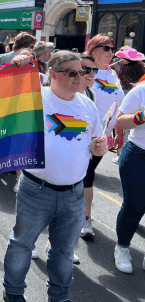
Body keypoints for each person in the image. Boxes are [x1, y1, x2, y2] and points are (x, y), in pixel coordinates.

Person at [3, 51, 107, 302]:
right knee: (22, 244)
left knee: (63, 251)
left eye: (81, 71)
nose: (79, 76)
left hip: (73, 193)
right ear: (53, 75)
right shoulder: (35, 99)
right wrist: (18, 63)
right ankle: (14, 293)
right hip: (35, 189)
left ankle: (59, 296)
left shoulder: (88, 105)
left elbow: (93, 141)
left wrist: (97, 147)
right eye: (71, 72)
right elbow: (4, 95)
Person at [81, 34, 124, 239]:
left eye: (111, 48)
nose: (110, 52)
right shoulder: (84, 71)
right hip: (79, 136)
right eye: (105, 48)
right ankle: (83, 219)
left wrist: (118, 132)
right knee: (83, 178)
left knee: (87, 177)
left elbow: (118, 108)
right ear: (92, 50)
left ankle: (83, 218)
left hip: (102, 138)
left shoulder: (113, 76)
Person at [114, 84, 145, 273]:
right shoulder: (141, 90)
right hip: (138, 155)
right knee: (135, 206)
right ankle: (122, 247)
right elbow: (120, 121)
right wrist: (142, 116)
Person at [111, 48, 145, 163]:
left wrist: (119, 63)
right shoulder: (140, 66)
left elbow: (109, 68)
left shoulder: (123, 66)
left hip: (128, 93)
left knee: (123, 125)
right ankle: (120, 151)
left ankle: (120, 153)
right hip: (131, 93)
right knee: (128, 125)